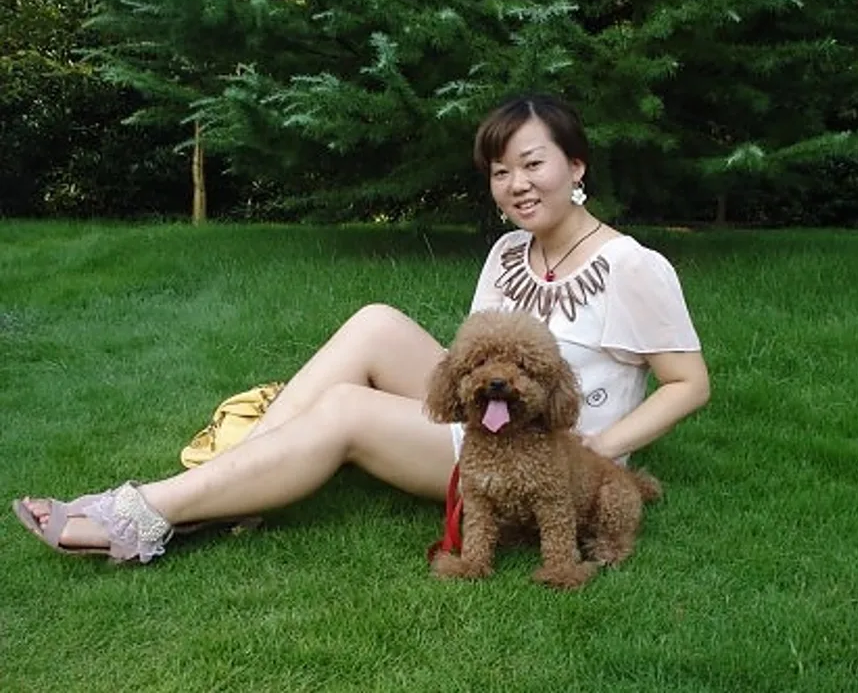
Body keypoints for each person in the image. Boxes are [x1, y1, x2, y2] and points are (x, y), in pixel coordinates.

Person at [12, 93, 711, 563]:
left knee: (347, 409)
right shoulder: (508, 251)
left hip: (552, 452)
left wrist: (604, 445)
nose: (517, 184)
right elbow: (468, 363)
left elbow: (689, 384)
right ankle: (235, 481)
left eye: (534, 164)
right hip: (489, 417)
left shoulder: (633, 266)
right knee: (375, 322)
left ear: (576, 166)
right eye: (502, 172)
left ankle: (151, 513)